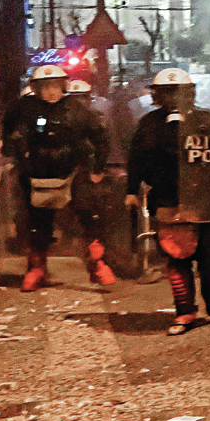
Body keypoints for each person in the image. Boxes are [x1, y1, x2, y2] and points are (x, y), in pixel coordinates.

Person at [127, 68, 210, 334]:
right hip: (168, 198)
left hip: (206, 200)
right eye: (167, 92)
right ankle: (185, 312)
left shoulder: (205, 118)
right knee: (176, 258)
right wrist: (131, 189)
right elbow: (136, 158)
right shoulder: (149, 123)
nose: (173, 98)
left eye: (179, 92)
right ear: (158, 95)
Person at [2, 64, 107, 292]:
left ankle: (96, 260)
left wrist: (97, 167)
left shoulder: (77, 110)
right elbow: (9, 133)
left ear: (63, 86)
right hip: (37, 173)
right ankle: (37, 268)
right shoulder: (24, 109)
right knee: (38, 223)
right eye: (45, 86)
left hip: (72, 170)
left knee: (87, 212)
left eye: (55, 85)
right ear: (36, 89)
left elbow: (100, 137)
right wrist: (17, 153)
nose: (51, 91)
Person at [62, 79, 117, 286]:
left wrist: (100, 169)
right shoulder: (61, 117)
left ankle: (97, 260)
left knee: (92, 216)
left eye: (82, 98)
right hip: (63, 173)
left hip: (86, 173)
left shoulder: (94, 117)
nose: (79, 103)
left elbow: (105, 143)